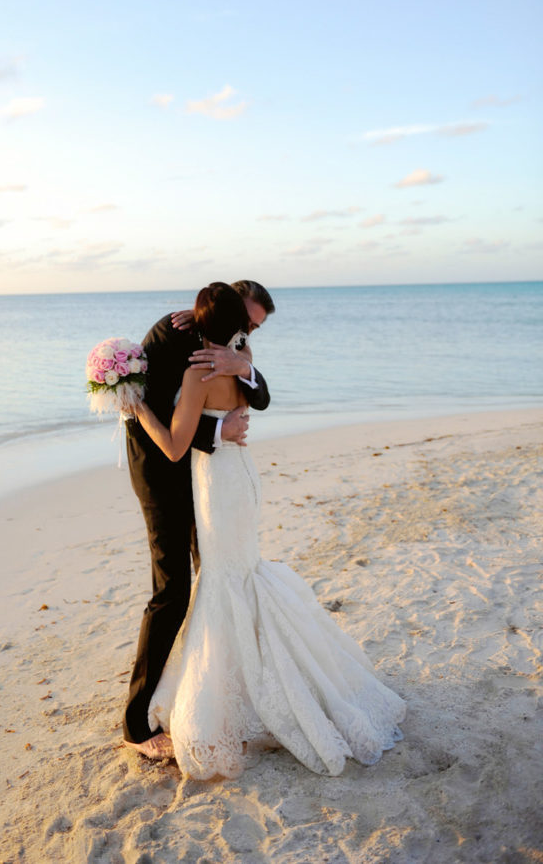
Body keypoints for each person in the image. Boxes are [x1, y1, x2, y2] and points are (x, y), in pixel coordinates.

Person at [136, 282, 406, 779]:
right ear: (237, 324)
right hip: (241, 475)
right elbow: (245, 397)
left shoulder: (200, 370)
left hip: (215, 486)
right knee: (241, 572)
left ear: (198, 319)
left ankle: (235, 690)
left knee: (222, 579)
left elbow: (174, 447)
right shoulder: (242, 355)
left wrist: (137, 408)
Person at [123, 279, 275, 759]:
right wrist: (219, 427)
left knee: (215, 579)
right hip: (162, 473)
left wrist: (242, 364)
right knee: (173, 591)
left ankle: (214, 689)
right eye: (247, 325)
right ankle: (136, 723)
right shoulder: (169, 334)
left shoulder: (236, 347)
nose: (247, 335)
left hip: (211, 479)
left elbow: (262, 394)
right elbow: (160, 413)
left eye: (252, 330)